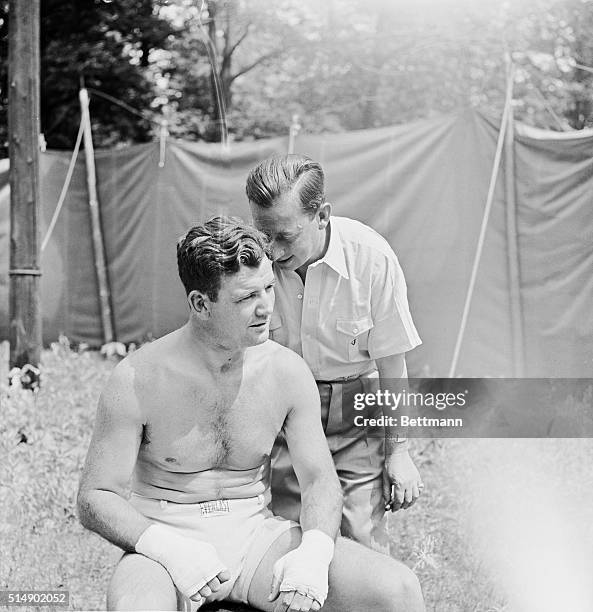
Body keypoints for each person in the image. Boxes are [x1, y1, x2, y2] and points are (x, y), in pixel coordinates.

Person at [77, 216, 425, 612]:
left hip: (255, 537)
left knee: (398, 590)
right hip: (165, 541)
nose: (265, 308)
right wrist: (166, 548)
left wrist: (313, 550)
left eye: (268, 288)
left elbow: (319, 481)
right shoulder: (137, 379)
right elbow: (95, 496)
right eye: (245, 298)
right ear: (200, 304)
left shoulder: (285, 371)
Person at [246, 155, 424, 553]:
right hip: (283, 410)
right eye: (263, 234)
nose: (271, 251)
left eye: (285, 236)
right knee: (291, 535)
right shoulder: (251, 263)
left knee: (361, 536)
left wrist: (399, 452)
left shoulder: (372, 259)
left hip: (355, 411)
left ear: (322, 215)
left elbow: (392, 364)